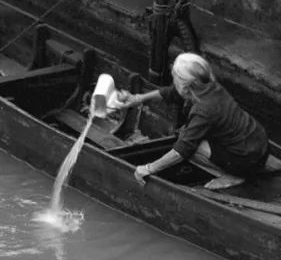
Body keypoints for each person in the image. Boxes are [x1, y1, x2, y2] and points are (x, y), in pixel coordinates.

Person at [115, 53, 269, 190]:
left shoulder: (204, 110)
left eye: (175, 78)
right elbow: (170, 92)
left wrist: (147, 169)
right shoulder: (209, 86)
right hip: (259, 144)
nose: (173, 81)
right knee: (188, 134)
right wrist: (138, 99)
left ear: (186, 86)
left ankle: (234, 175)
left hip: (247, 161)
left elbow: (182, 151)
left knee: (186, 140)